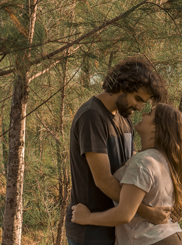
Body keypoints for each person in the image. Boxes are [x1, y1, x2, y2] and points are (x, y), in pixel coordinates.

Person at [66, 58, 169, 245]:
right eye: (138, 99)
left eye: (143, 102)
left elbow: (131, 170)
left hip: (116, 225)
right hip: (90, 232)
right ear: (123, 85)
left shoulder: (124, 118)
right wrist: (147, 211)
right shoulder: (92, 116)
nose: (139, 107)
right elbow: (103, 180)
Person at [71, 103, 182, 245]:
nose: (144, 113)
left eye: (150, 113)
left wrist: (87, 218)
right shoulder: (163, 159)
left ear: (155, 128)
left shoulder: (143, 162)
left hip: (153, 240)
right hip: (173, 237)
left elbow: (124, 214)